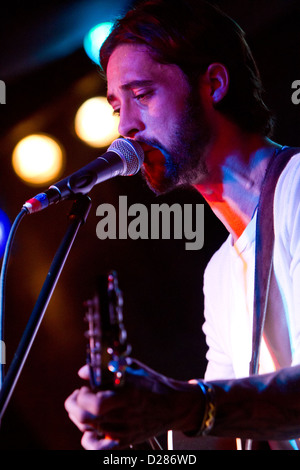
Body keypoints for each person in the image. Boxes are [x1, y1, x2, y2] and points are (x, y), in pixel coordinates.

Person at [64, 0, 300, 450]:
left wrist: (181, 404)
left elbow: (204, 407)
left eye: (142, 94)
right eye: (117, 107)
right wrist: (132, 437)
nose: (126, 127)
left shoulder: (297, 189)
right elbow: (222, 431)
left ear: (213, 83)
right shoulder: (220, 275)